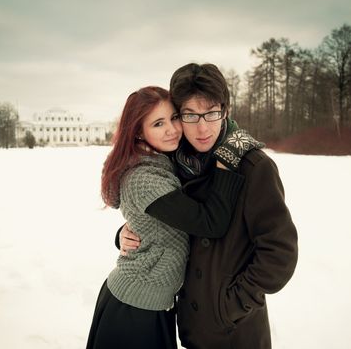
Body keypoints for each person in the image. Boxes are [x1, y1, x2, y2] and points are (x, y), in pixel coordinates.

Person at [119, 63, 298, 349]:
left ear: (226, 110)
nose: (202, 128)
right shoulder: (175, 164)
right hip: (190, 328)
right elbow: (174, 219)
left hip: (234, 333)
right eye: (190, 115)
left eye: (212, 113)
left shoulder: (254, 167)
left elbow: (280, 253)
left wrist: (229, 306)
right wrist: (126, 232)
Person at [86, 86, 260, 349]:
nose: (172, 129)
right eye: (158, 123)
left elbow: (158, 220)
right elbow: (209, 223)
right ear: (137, 132)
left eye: (174, 118)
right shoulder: (144, 178)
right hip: (133, 310)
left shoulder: (163, 161)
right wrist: (226, 164)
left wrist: (124, 230)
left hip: (154, 304)